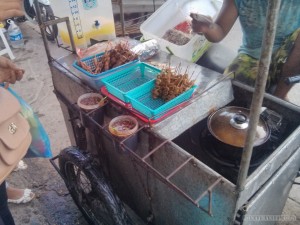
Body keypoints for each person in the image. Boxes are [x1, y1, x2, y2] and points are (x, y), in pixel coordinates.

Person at [190, 0, 300, 100]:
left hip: (289, 55)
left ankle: (279, 97)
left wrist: (277, 98)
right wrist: (208, 27)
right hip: (253, 57)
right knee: (228, 94)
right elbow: (219, 32)